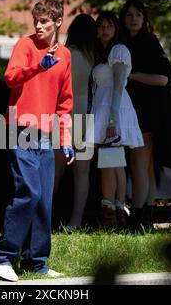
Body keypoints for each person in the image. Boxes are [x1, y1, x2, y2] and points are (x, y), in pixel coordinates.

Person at [0, 0, 74, 282]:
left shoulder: (66, 56)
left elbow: (65, 104)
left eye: (45, 21)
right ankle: (1, 256)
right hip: (19, 129)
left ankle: (36, 262)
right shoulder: (25, 45)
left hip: (46, 134)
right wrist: (38, 66)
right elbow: (10, 78)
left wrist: (67, 138)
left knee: (44, 199)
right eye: (36, 20)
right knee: (29, 192)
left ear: (58, 22)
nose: (38, 25)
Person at [120, 0, 171, 230]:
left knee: (140, 164)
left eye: (138, 15)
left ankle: (138, 217)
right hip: (131, 110)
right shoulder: (123, 42)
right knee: (144, 167)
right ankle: (145, 216)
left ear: (144, 19)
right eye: (129, 15)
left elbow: (163, 79)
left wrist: (130, 75)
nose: (133, 19)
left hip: (148, 112)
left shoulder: (149, 43)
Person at [87, 11, 143, 228]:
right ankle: (118, 211)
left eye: (109, 25)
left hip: (114, 109)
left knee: (108, 161)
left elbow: (119, 86)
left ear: (116, 29)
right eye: (101, 25)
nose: (104, 29)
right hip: (106, 107)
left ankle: (109, 212)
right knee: (115, 161)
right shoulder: (102, 53)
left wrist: (112, 120)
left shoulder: (119, 50)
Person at [53, 13, 97, 230]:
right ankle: (76, 222)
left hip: (64, 118)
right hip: (87, 119)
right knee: (82, 173)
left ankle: (43, 218)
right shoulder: (95, 59)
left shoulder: (66, 55)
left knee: (55, 171)